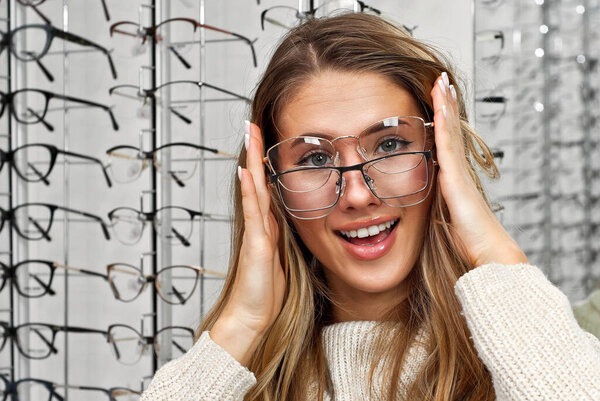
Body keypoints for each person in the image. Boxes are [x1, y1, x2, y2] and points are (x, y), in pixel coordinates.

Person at [140, 13, 600, 400]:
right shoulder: (233, 379)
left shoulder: (533, 352)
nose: (358, 195)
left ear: (441, 157)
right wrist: (240, 325)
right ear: (272, 185)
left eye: (390, 145)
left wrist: (495, 253)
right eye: (316, 158)